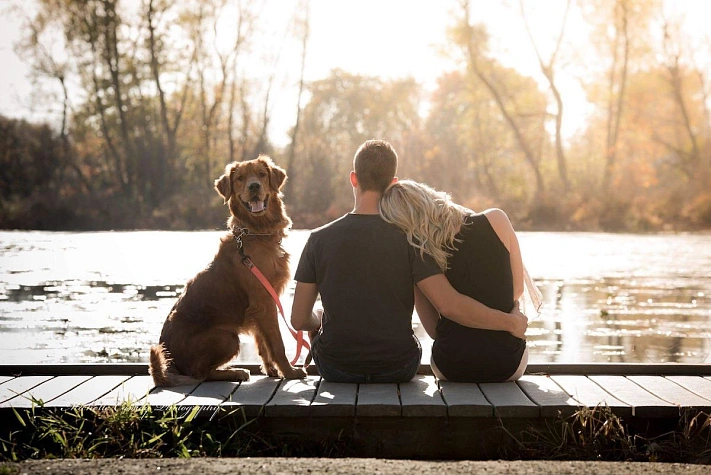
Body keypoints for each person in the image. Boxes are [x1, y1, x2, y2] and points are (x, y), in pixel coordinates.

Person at [290, 139, 528, 383]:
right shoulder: (411, 241)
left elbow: (298, 320)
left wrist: (318, 318)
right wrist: (509, 322)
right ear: (393, 183)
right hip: (398, 367)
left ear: (354, 178)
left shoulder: (317, 239)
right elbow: (451, 305)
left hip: (335, 368)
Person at [379, 179, 542, 382]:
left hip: (450, 366)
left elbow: (433, 330)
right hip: (509, 364)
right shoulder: (496, 219)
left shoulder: (419, 252)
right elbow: (517, 291)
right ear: (429, 196)